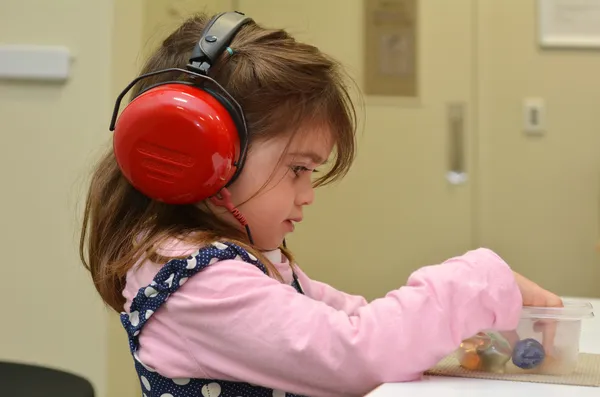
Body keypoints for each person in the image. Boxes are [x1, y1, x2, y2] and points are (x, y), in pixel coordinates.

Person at [79, 10, 562, 397]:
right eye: (297, 169)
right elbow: (353, 354)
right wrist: (473, 283)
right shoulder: (204, 284)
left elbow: (345, 319)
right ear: (202, 157)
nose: (308, 194)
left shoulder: (231, 258)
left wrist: (447, 329)